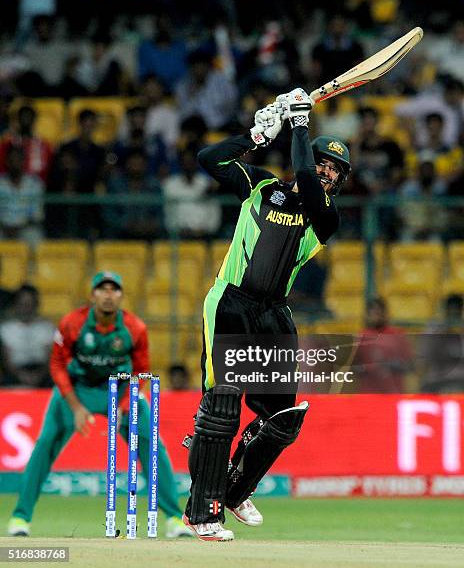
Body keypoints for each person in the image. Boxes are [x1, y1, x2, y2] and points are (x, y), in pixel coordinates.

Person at [182, 88, 350, 541]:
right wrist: (257, 135)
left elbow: (305, 179)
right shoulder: (258, 185)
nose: (327, 173)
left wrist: (299, 127)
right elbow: (208, 158)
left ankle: (235, 490)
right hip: (230, 302)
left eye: (336, 172)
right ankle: (202, 512)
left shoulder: (324, 216)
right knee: (222, 408)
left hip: (273, 314)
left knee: (283, 418)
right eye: (324, 163)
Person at [7, 271, 192, 539]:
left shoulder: (134, 327)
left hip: (121, 389)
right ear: (93, 295)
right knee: (45, 445)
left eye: (114, 289)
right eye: (102, 289)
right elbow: (57, 364)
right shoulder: (73, 323)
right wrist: (75, 407)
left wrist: (123, 406)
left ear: (121, 295)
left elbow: (141, 371)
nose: (108, 294)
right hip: (78, 389)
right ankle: (20, 516)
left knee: (152, 444)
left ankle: (174, 518)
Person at [353, 297, 413, 394]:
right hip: (369, 394)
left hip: (393, 393)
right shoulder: (361, 336)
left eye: (379, 312)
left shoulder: (397, 335)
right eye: (373, 313)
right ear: (367, 315)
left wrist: (392, 365)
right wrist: (370, 368)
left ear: (386, 314)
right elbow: (353, 367)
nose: (376, 316)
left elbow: (409, 366)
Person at [0, 284, 54, 388]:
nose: (26, 308)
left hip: (42, 373)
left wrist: (39, 376)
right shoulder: (6, 328)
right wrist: (21, 376)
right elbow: (6, 360)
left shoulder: (47, 327)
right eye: (22, 303)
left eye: (29, 303)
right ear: (15, 304)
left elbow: (50, 357)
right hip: (14, 373)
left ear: (36, 304)